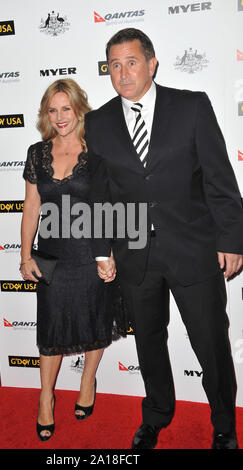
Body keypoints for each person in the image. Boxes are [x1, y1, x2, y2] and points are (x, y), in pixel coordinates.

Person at [85, 28, 243, 449]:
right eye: (114, 65)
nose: (123, 73)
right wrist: (103, 250)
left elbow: (219, 179)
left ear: (152, 64)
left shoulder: (191, 107)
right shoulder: (97, 123)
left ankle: (224, 424)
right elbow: (99, 194)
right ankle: (156, 414)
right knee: (149, 343)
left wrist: (231, 238)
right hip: (135, 255)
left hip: (194, 248)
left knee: (210, 341)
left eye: (132, 62)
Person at [20, 78, 123, 442]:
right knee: (51, 326)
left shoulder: (98, 152)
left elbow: (109, 205)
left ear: (79, 108)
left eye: (66, 108)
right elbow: (32, 206)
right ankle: (45, 397)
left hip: (90, 250)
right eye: (53, 110)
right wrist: (24, 254)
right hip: (51, 253)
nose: (60, 116)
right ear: (46, 114)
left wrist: (107, 251)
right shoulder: (37, 152)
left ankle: (87, 380)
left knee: (95, 316)